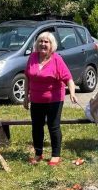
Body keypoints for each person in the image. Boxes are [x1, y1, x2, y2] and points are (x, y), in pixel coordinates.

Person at [22, 32, 78, 165]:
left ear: (52, 45)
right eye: (41, 41)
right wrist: (26, 96)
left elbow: (68, 78)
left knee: (53, 126)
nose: (43, 44)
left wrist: (72, 93)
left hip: (54, 99)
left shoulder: (57, 59)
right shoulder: (33, 57)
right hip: (36, 99)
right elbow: (27, 77)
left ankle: (56, 155)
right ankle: (38, 154)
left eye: (46, 42)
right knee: (36, 127)